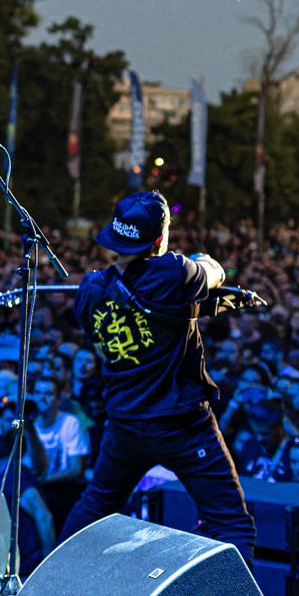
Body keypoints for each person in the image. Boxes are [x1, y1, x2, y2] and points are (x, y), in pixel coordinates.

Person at [60, 190, 257, 563]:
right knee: (231, 524)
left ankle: (50, 588)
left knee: (96, 506)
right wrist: (201, 260)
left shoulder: (89, 289)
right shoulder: (175, 274)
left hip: (125, 424)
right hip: (182, 424)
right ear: (159, 238)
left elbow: (103, 344)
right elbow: (216, 272)